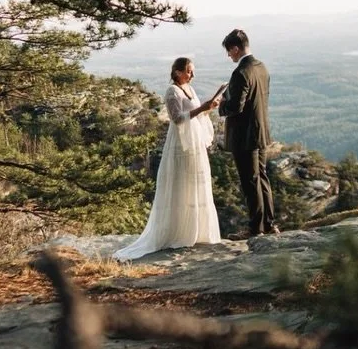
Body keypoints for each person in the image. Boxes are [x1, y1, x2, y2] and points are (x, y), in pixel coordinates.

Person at [115, 58, 225, 260]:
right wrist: (203, 108)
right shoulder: (172, 91)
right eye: (189, 71)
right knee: (180, 184)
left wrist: (209, 107)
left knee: (194, 184)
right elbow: (177, 119)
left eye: (193, 71)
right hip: (180, 146)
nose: (192, 75)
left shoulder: (189, 90)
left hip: (194, 145)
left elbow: (195, 117)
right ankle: (178, 232)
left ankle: (196, 231)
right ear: (177, 72)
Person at [218, 28, 278, 238]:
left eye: (229, 52)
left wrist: (222, 105)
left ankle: (255, 229)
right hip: (261, 132)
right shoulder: (261, 68)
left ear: (235, 48)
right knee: (262, 178)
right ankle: (269, 224)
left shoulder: (241, 72)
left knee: (250, 182)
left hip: (244, 136)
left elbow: (235, 107)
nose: (229, 56)